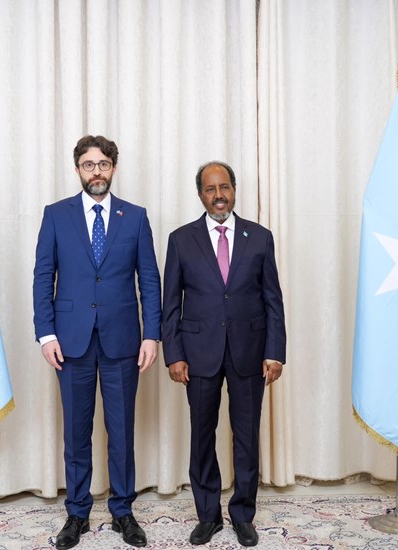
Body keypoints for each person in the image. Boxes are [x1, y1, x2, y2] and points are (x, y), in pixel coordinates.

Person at [33, 135, 161, 549]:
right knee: (76, 432)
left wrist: (152, 334)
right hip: (70, 342)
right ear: (78, 170)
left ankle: (123, 511)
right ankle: (77, 513)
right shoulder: (56, 215)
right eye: (89, 165)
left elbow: (149, 281)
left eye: (103, 164)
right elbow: (43, 276)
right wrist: (46, 333)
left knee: (121, 431)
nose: (96, 172)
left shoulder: (135, 217)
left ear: (114, 168)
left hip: (123, 341)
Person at [162, 161, 286, 547]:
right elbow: (170, 304)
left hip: (250, 352)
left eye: (225, 187)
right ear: (200, 195)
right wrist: (173, 354)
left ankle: (243, 514)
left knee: (246, 436)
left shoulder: (259, 237)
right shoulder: (181, 240)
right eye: (210, 189)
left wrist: (275, 352)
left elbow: (273, 300)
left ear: (234, 189)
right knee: (202, 435)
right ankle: (208, 515)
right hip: (198, 354)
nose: (219, 195)